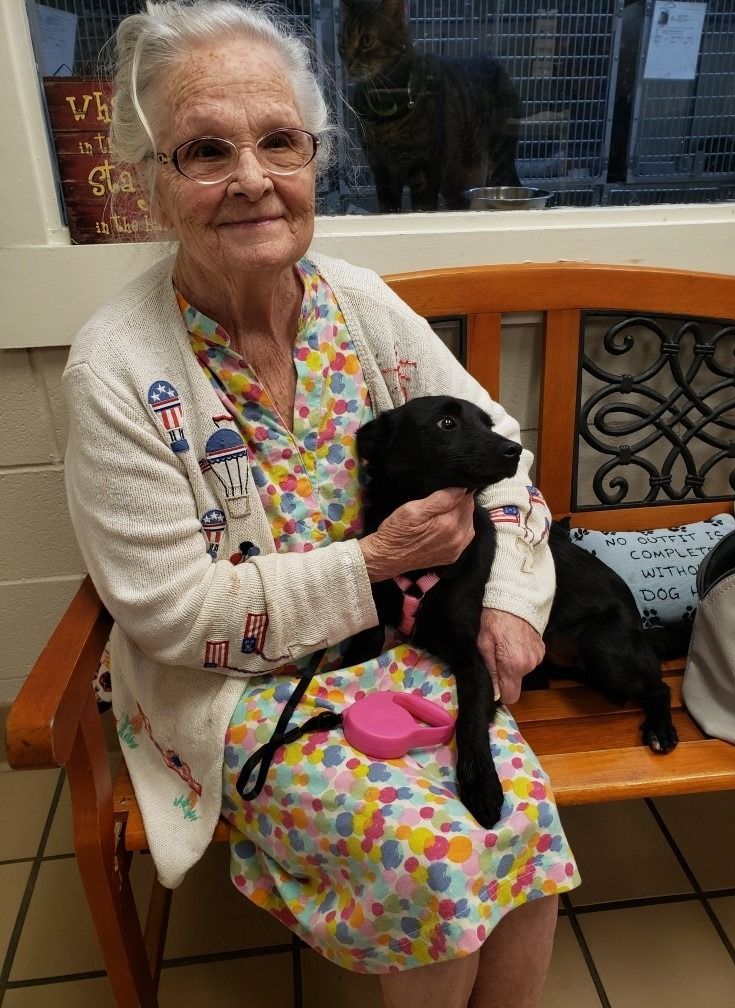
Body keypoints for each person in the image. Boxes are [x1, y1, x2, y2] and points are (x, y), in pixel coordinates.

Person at [63, 2, 579, 1005]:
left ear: (314, 158)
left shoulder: (359, 303)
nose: (252, 178)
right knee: (431, 856)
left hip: (415, 653)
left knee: (521, 818)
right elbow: (174, 614)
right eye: (206, 150)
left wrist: (514, 600)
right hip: (244, 693)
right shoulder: (118, 371)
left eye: (279, 141)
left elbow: (500, 449)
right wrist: (377, 563)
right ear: (150, 184)